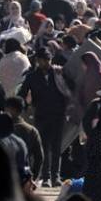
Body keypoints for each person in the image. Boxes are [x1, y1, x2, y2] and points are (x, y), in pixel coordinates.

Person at [17, 48, 68, 187]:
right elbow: (22, 93)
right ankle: (46, 178)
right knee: (44, 147)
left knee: (57, 147)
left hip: (58, 115)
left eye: (48, 59)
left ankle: (55, 177)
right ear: (38, 61)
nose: (46, 62)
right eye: (43, 60)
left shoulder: (58, 73)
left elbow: (70, 89)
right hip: (41, 115)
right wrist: (23, 108)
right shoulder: (32, 76)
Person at [3, 97, 43, 183]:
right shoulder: (32, 130)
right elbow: (39, 157)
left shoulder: (1, 129)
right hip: (24, 175)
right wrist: (33, 177)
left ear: (10, 109)